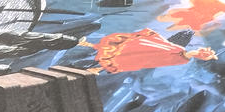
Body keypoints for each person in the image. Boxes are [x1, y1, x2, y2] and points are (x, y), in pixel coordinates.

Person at [78, 28, 217, 74]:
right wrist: (199, 54)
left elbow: (187, 53)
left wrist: (199, 54)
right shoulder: (178, 51)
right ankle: (91, 53)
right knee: (122, 55)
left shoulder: (178, 52)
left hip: (149, 53)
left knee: (121, 54)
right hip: (149, 53)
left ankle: (89, 49)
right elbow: (187, 53)